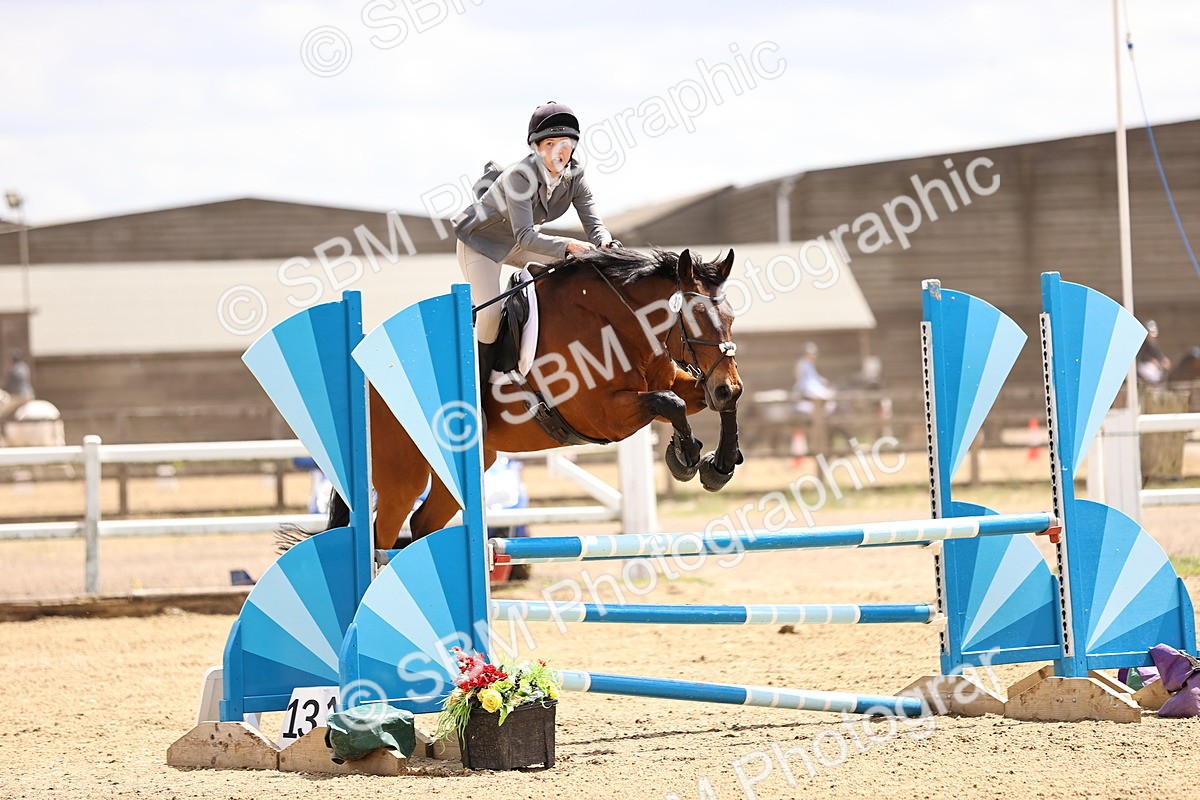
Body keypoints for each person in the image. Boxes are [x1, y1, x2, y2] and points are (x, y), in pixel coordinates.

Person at [451, 101, 618, 384]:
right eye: (550, 143)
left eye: (566, 142)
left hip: (518, 242)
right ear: (537, 148)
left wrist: (606, 243)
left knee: (575, 271)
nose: (559, 151)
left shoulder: (575, 176)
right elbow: (526, 236)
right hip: (481, 244)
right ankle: (478, 390)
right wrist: (568, 245)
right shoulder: (519, 176)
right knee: (490, 316)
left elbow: (593, 221)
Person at [1, 348, 34, 418]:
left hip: (20, 396)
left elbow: (9, 384)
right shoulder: (25, 366)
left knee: (2, 412)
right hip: (30, 394)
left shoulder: (14, 369)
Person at [1137, 320, 1171, 385]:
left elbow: (1158, 353)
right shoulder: (1142, 344)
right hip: (1144, 365)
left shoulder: (1155, 343)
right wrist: (1151, 360)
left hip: (1156, 365)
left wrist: (1163, 359)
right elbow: (1141, 355)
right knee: (1152, 374)